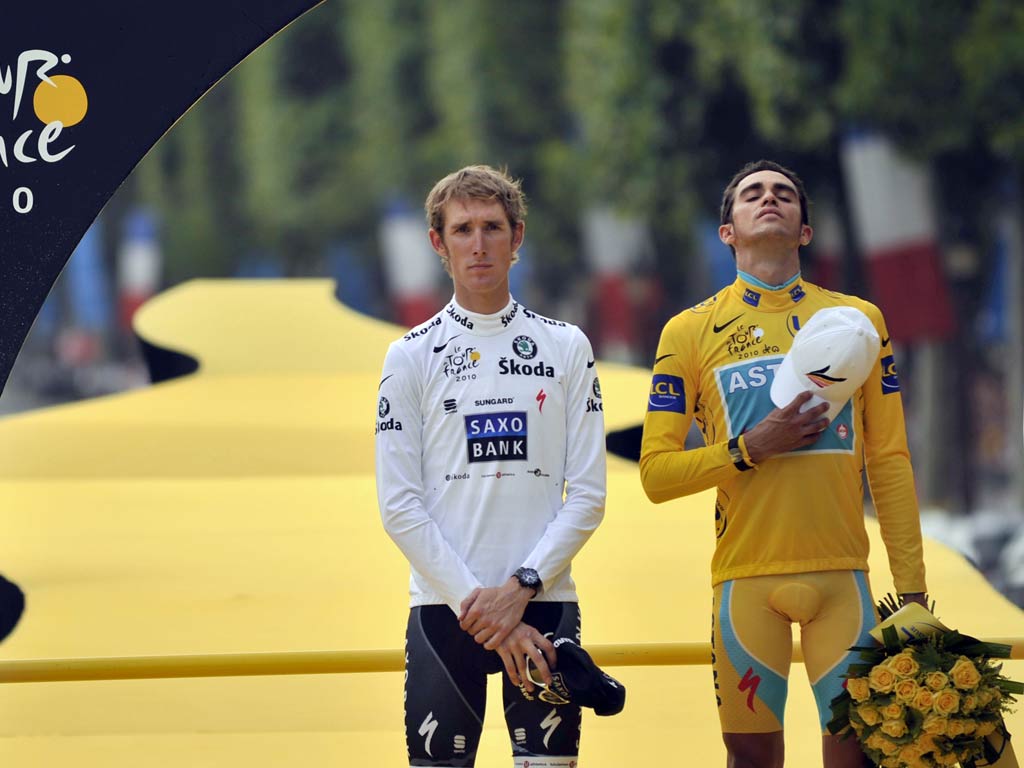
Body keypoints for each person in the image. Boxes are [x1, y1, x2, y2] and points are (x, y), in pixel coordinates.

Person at [639, 160, 928, 768]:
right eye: (752, 193)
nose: (769, 198)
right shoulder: (689, 331)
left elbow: (891, 460)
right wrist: (750, 448)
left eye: (785, 194)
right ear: (728, 231)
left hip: (843, 576)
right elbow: (656, 477)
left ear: (804, 231)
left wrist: (913, 593)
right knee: (751, 762)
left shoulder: (860, 321)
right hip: (745, 581)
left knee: (857, 759)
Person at [375, 164, 607, 767]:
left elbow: (587, 496)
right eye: (462, 230)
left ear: (517, 237)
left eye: (492, 228)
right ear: (438, 243)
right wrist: (488, 611)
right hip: (443, 612)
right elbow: (399, 507)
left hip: (546, 602)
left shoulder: (566, 346)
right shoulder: (408, 356)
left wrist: (521, 589)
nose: (478, 244)